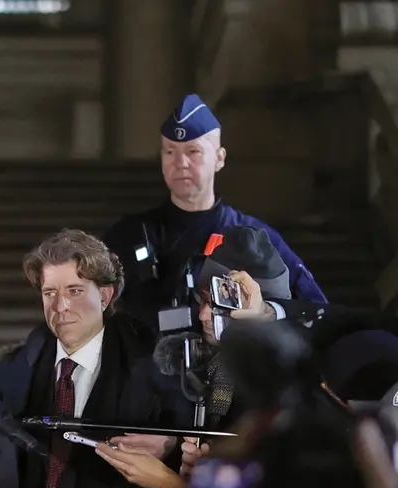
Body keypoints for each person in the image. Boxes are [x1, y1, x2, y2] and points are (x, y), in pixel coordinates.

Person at [0, 230, 189, 488]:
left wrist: (171, 446)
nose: (60, 306)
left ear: (105, 295)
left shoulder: (155, 373)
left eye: (74, 291)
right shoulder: (20, 368)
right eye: (50, 293)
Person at [102, 94, 326, 333]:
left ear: (219, 159)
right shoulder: (128, 234)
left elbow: (316, 309)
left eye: (193, 151)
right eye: (170, 152)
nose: (180, 162)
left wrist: (264, 312)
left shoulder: (254, 239)